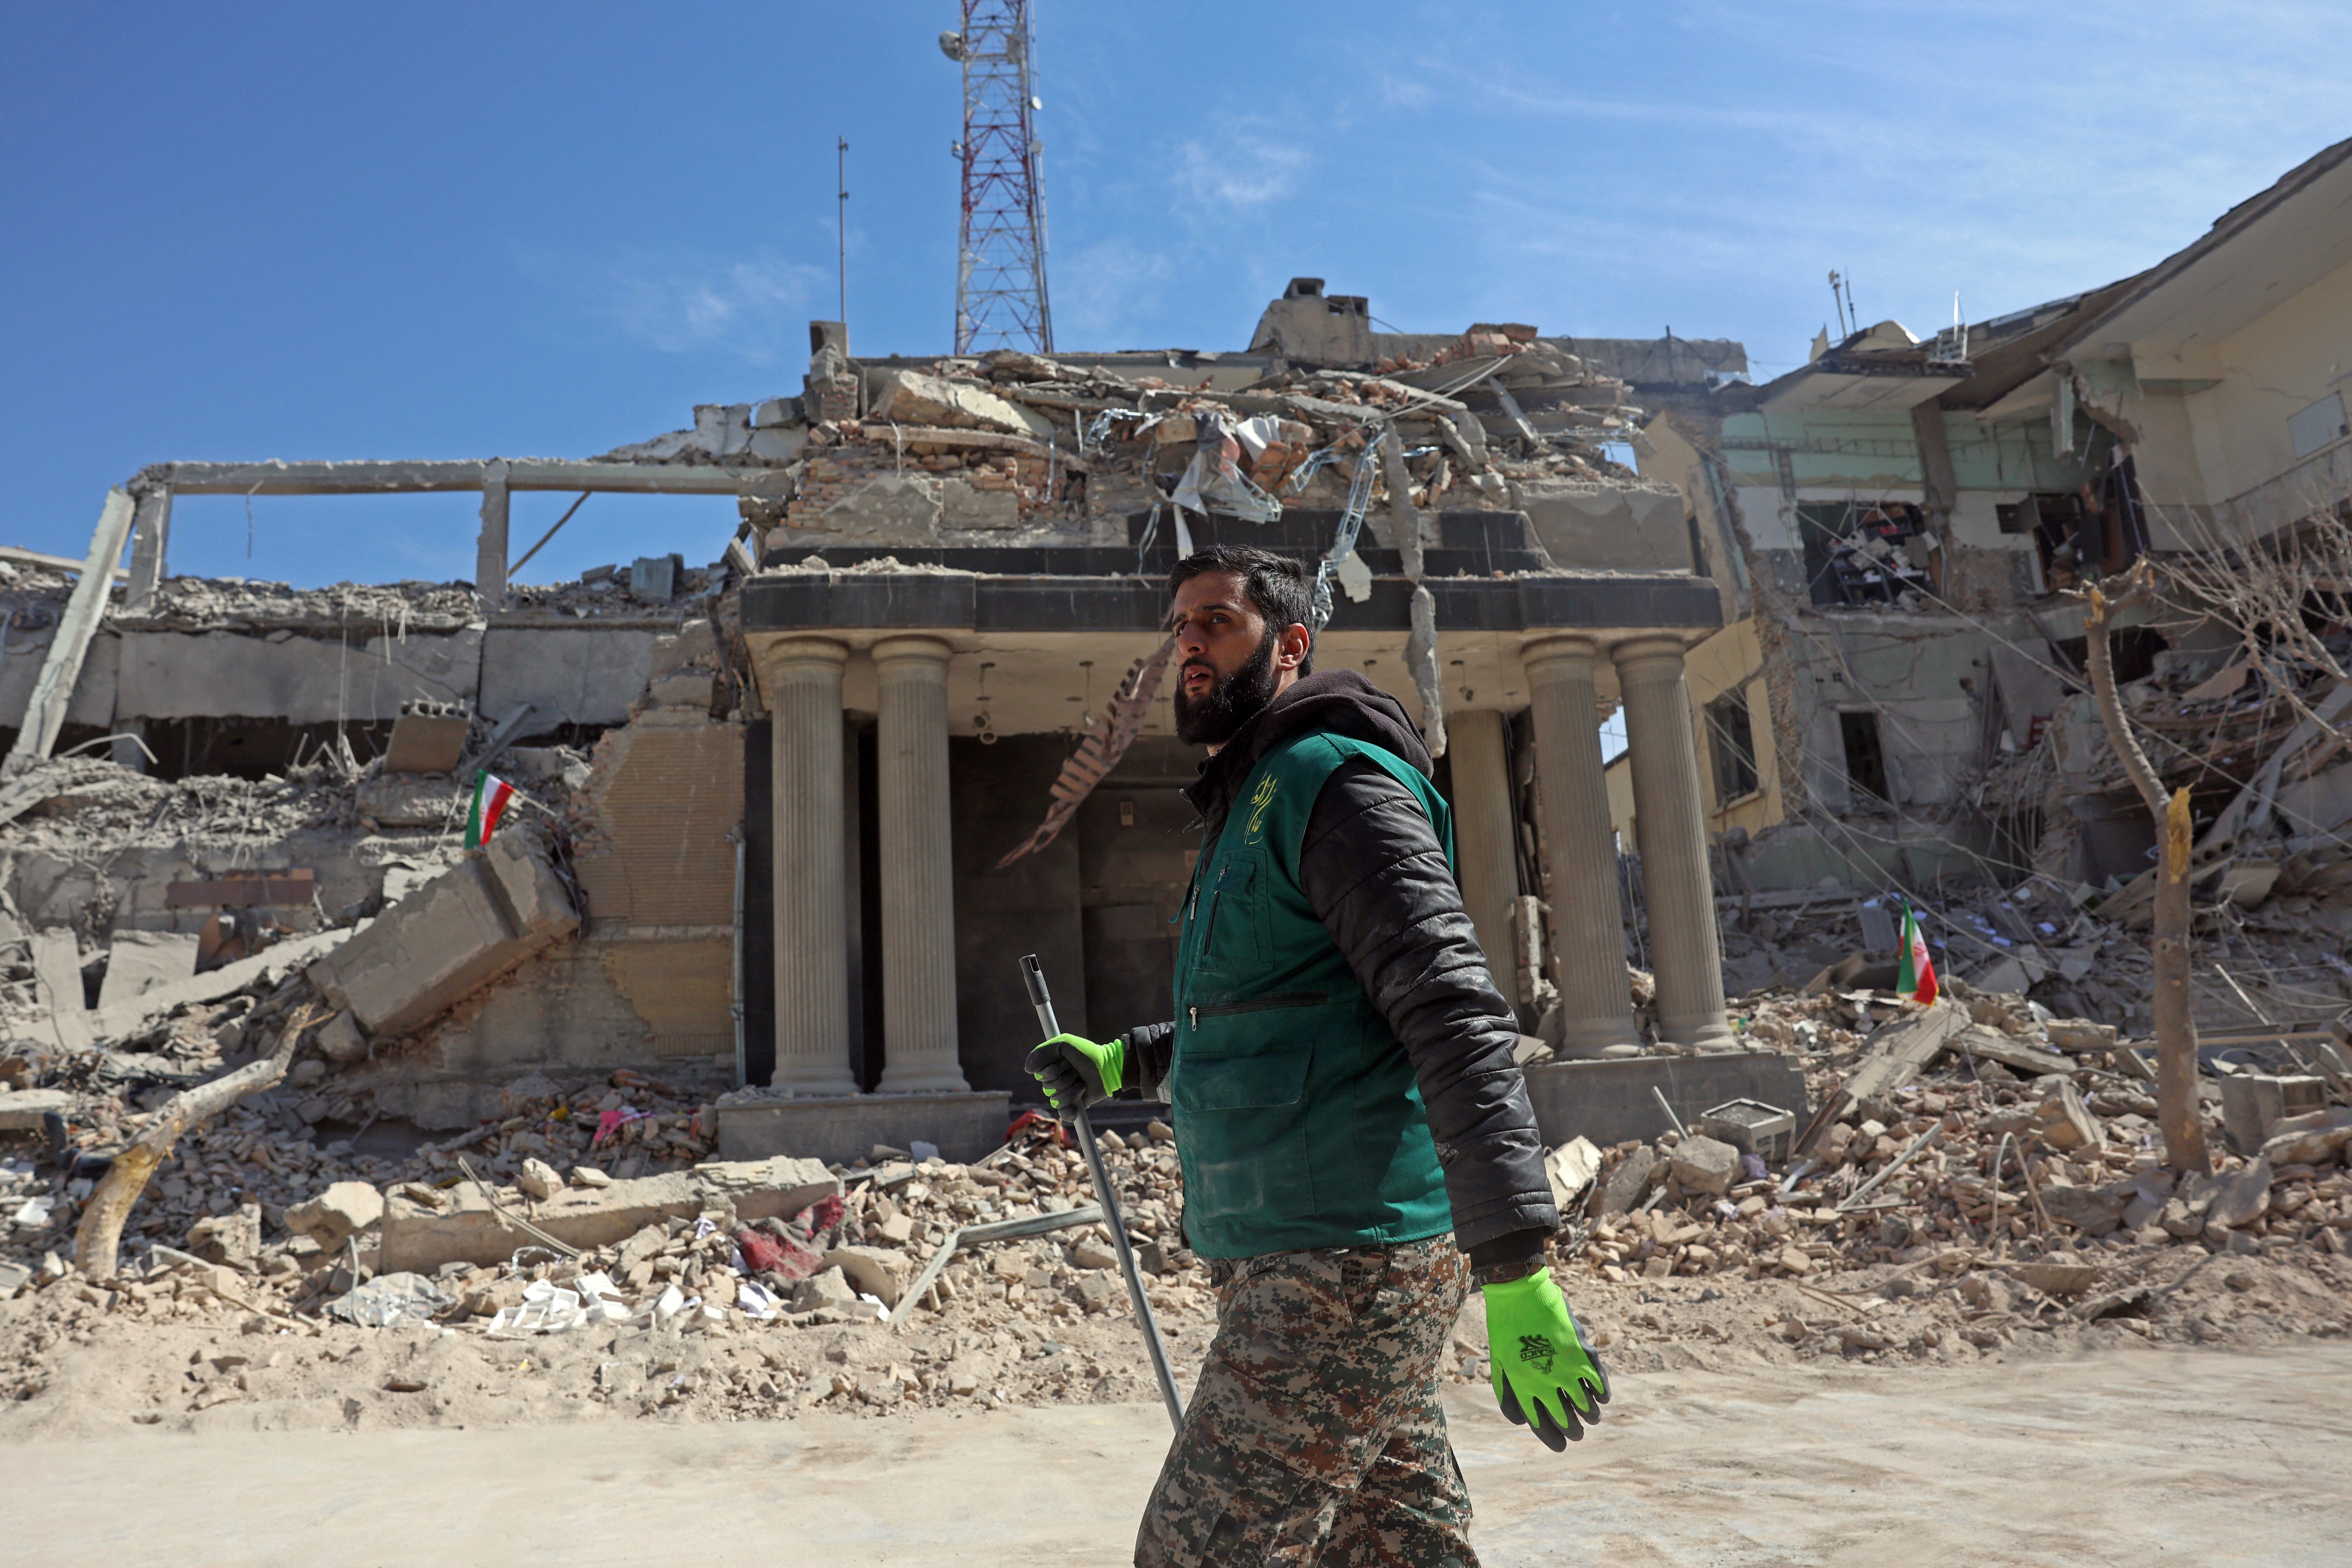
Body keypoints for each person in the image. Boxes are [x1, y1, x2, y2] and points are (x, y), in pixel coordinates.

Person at [1027, 545, 1610, 1567]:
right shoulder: (1249, 804)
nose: (1189, 644)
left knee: (1198, 1550)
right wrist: (1126, 1063)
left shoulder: (1334, 784)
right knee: (1397, 1548)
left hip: (1340, 1260)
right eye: (1180, 626)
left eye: (1216, 620)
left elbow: (1451, 1011)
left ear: (1291, 645)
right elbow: (1280, 1018)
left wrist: (1517, 1259)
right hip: (1301, 1255)